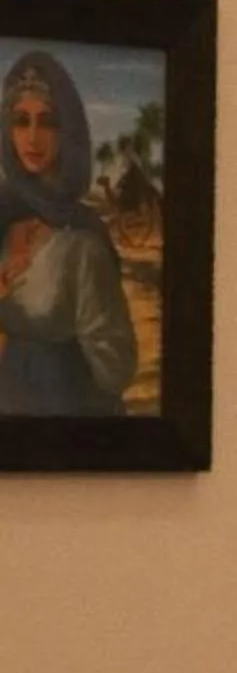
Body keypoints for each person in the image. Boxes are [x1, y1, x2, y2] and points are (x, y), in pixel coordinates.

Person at [0, 50, 139, 415]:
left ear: (68, 131)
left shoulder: (82, 242)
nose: (32, 137)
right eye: (20, 120)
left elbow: (116, 369)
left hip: (66, 426)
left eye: (47, 122)